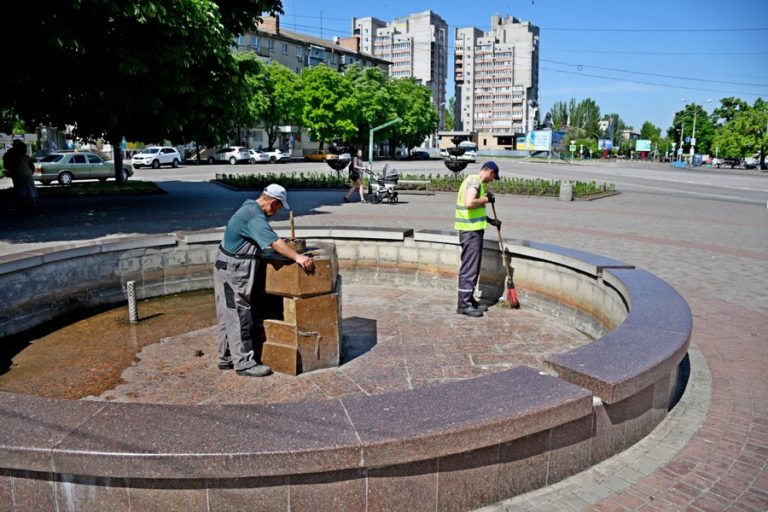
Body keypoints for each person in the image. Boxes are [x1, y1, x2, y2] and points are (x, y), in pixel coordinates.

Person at [214, 184, 315, 377]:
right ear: (273, 202)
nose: (276, 212)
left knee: (228, 313)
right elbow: (274, 241)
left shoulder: (249, 206)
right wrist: (298, 257)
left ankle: (227, 356)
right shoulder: (254, 215)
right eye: (277, 208)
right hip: (234, 270)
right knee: (239, 313)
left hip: (225, 266)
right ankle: (243, 363)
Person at [454, 161, 502, 317]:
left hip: (472, 231)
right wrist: (486, 199)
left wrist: (490, 221)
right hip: (470, 232)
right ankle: (464, 304)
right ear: (490, 172)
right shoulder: (475, 180)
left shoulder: (473, 181)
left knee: (472, 268)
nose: (492, 180)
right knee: (469, 269)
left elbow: (474, 209)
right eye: (493, 177)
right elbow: (469, 203)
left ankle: (469, 299)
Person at [2, 140, 38, 211]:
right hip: (25, 173)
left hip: (16, 173)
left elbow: (7, 163)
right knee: (30, 186)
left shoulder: (10, 154)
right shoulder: (24, 156)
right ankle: (32, 203)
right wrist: (31, 172)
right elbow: (32, 165)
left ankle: (21, 202)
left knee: (19, 187)